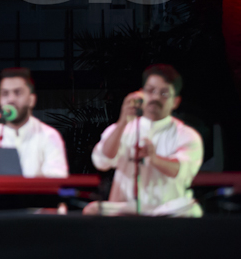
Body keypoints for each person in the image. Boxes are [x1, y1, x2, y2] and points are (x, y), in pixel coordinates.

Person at [87, 64, 204, 217]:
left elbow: (183, 171)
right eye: (150, 91)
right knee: (92, 210)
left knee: (191, 210)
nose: (155, 97)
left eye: (164, 93)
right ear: (141, 94)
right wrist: (122, 122)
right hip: (126, 208)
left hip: (168, 210)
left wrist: (155, 159)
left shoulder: (187, 135)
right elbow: (101, 162)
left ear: (175, 101)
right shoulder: (123, 128)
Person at [0, 67, 68, 178]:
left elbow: (57, 179)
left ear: (31, 100)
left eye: (18, 92)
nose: (11, 99)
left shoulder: (49, 136)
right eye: (5, 93)